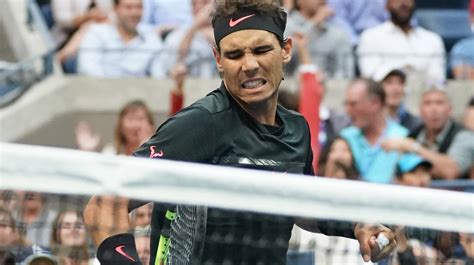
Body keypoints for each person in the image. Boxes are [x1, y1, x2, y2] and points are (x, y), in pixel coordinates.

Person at [84, 1, 396, 264]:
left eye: (261, 50)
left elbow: (303, 204)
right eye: (234, 55)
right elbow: (105, 202)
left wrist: (356, 224)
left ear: (286, 50)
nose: (248, 65)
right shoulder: (201, 123)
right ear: (218, 60)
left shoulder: (296, 129)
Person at [382, 89, 470, 179]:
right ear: (420, 110)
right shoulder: (414, 134)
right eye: (428, 103)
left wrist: (414, 147)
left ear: (450, 109)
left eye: (439, 103)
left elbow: (450, 172)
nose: (434, 109)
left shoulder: (464, 136)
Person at [340, 78, 415, 183]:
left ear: (375, 103)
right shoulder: (344, 138)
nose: (347, 110)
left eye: (353, 104)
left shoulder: (402, 138)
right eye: (346, 104)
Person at [357, 0, 446, 84]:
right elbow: (371, 77)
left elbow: (438, 81)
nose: (403, 3)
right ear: (387, 5)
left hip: (422, 96)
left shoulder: (433, 40)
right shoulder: (370, 36)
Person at [77, 0, 164, 78]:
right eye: (128, 7)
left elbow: (158, 75)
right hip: (100, 91)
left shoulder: (151, 39)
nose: (134, 13)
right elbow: (88, 69)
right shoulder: (97, 33)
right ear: (116, 9)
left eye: (139, 7)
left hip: (139, 92)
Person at [285, 0, 354, 79]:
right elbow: (280, 60)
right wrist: (313, 23)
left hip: (327, 88)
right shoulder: (285, 25)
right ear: (299, 1)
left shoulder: (338, 34)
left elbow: (346, 74)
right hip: (289, 87)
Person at [154, 0, 218, 78]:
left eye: (204, 3)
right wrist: (195, 26)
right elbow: (175, 61)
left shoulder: (223, 30)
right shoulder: (178, 34)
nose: (198, 7)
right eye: (194, 4)